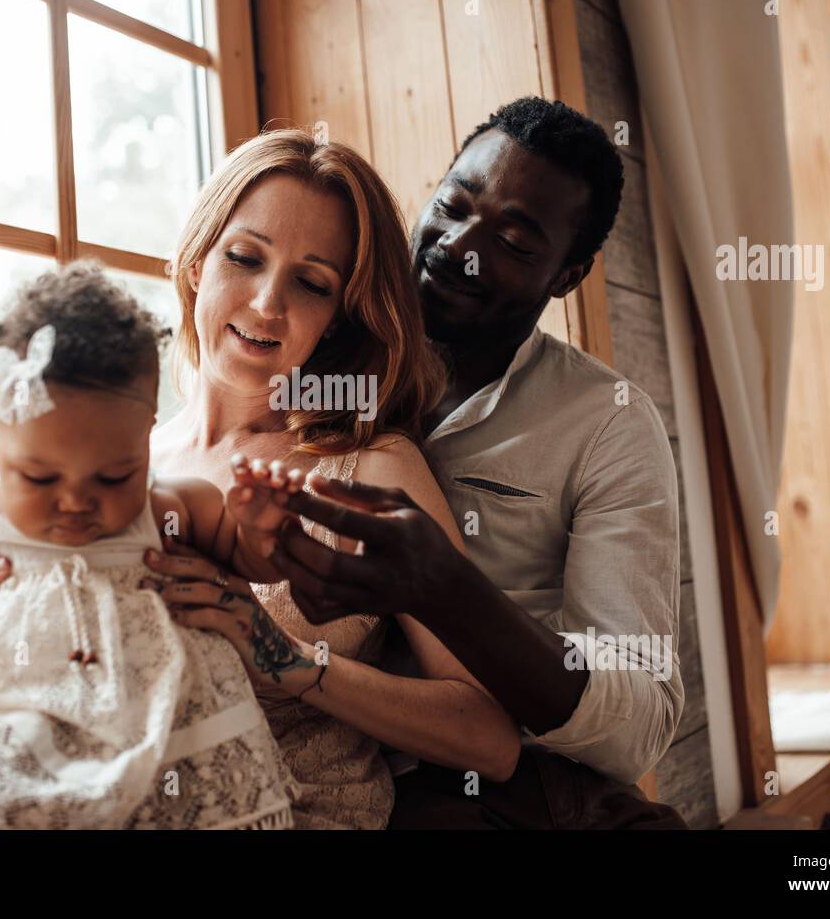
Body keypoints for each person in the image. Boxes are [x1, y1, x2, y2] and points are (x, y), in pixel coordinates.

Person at [0, 129, 522, 830]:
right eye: (244, 256)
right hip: (61, 776)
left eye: (310, 283)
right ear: (197, 264)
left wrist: (280, 656)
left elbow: (490, 739)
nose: (266, 303)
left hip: (246, 807)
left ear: (342, 315)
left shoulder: (367, 468)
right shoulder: (115, 449)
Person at [259, 97, 689, 828]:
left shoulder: (605, 425)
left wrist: (450, 592)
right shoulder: (308, 361)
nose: (461, 246)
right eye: (453, 205)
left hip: (524, 789)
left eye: (517, 243)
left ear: (567, 275)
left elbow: (639, 720)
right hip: (334, 773)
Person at [0, 262, 309, 830]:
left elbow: (252, 563)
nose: (75, 503)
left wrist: (264, 529)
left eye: (113, 477)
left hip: (179, 745)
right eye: (39, 478)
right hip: (30, 740)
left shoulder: (171, 508)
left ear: (145, 436)